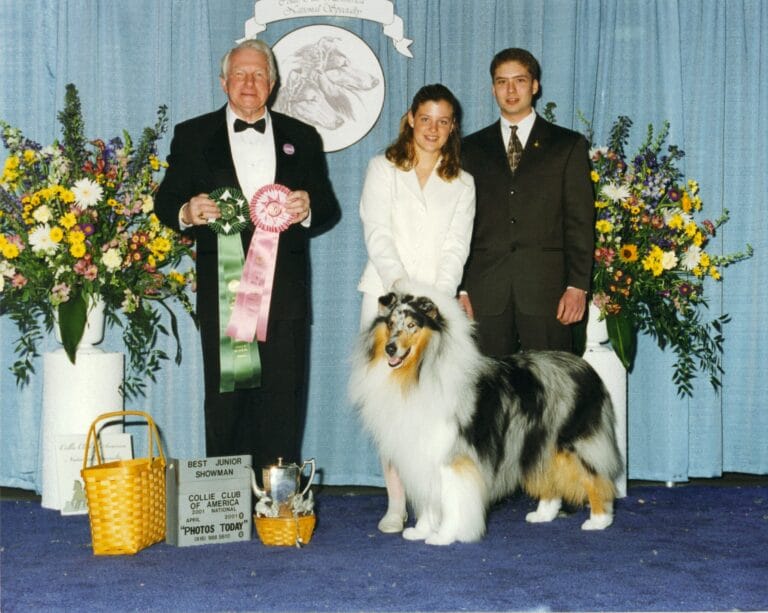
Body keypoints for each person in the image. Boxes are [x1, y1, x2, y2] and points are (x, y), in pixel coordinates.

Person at [155, 39, 339, 472]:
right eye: (240, 74)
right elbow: (166, 202)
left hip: (286, 298)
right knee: (226, 403)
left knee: (283, 402)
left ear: (273, 84)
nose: (249, 82)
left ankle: (277, 502)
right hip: (225, 294)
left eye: (259, 74)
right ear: (224, 83)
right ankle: (226, 503)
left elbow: (329, 207)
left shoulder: (303, 136)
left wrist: (308, 206)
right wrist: (187, 211)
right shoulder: (192, 134)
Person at [357, 83, 475, 533]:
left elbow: (456, 246)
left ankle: (436, 500)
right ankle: (395, 502)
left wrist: (436, 300)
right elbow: (377, 233)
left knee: (438, 407)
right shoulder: (382, 168)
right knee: (390, 404)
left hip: (437, 310)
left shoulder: (463, 182)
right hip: (385, 298)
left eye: (443, 121)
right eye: (425, 118)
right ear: (410, 118)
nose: (433, 129)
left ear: (452, 127)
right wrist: (402, 289)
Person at [459, 48, 594, 356]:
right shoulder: (469, 149)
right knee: (487, 397)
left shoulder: (567, 146)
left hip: (547, 293)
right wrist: (462, 287)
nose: (510, 90)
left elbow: (580, 223)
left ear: (535, 86)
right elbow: (459, 225)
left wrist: (577, 286)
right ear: (492, 88)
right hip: (485, 295)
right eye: (501, 81)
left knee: (554, 393)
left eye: (519, 80)